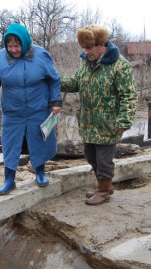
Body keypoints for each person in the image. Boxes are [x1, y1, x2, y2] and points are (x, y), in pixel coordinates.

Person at [0, 23, 62, 195]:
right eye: (10, 46)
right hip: (13, 111)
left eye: (17, 45)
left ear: (24, 43)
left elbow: (54, 79)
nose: (14, 49)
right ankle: (9, 180)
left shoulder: (41, 55)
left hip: (37, 108)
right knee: (10, 144)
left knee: (39, 141)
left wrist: (55, 101)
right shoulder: (0, 57)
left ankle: (40, 174)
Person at [60, 24, 137, 206]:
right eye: (83, 48)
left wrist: (124, 120)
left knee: (104, 160)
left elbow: (129, 95)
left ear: (102, 44)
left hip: (108, 122)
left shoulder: (120, 65)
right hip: (88, 120)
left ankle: (103, 191)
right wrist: (55, 82)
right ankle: (104, 185)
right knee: (91, 155)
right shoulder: (85, 62)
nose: (85, 52)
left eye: (89, 48)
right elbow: (76, 83)